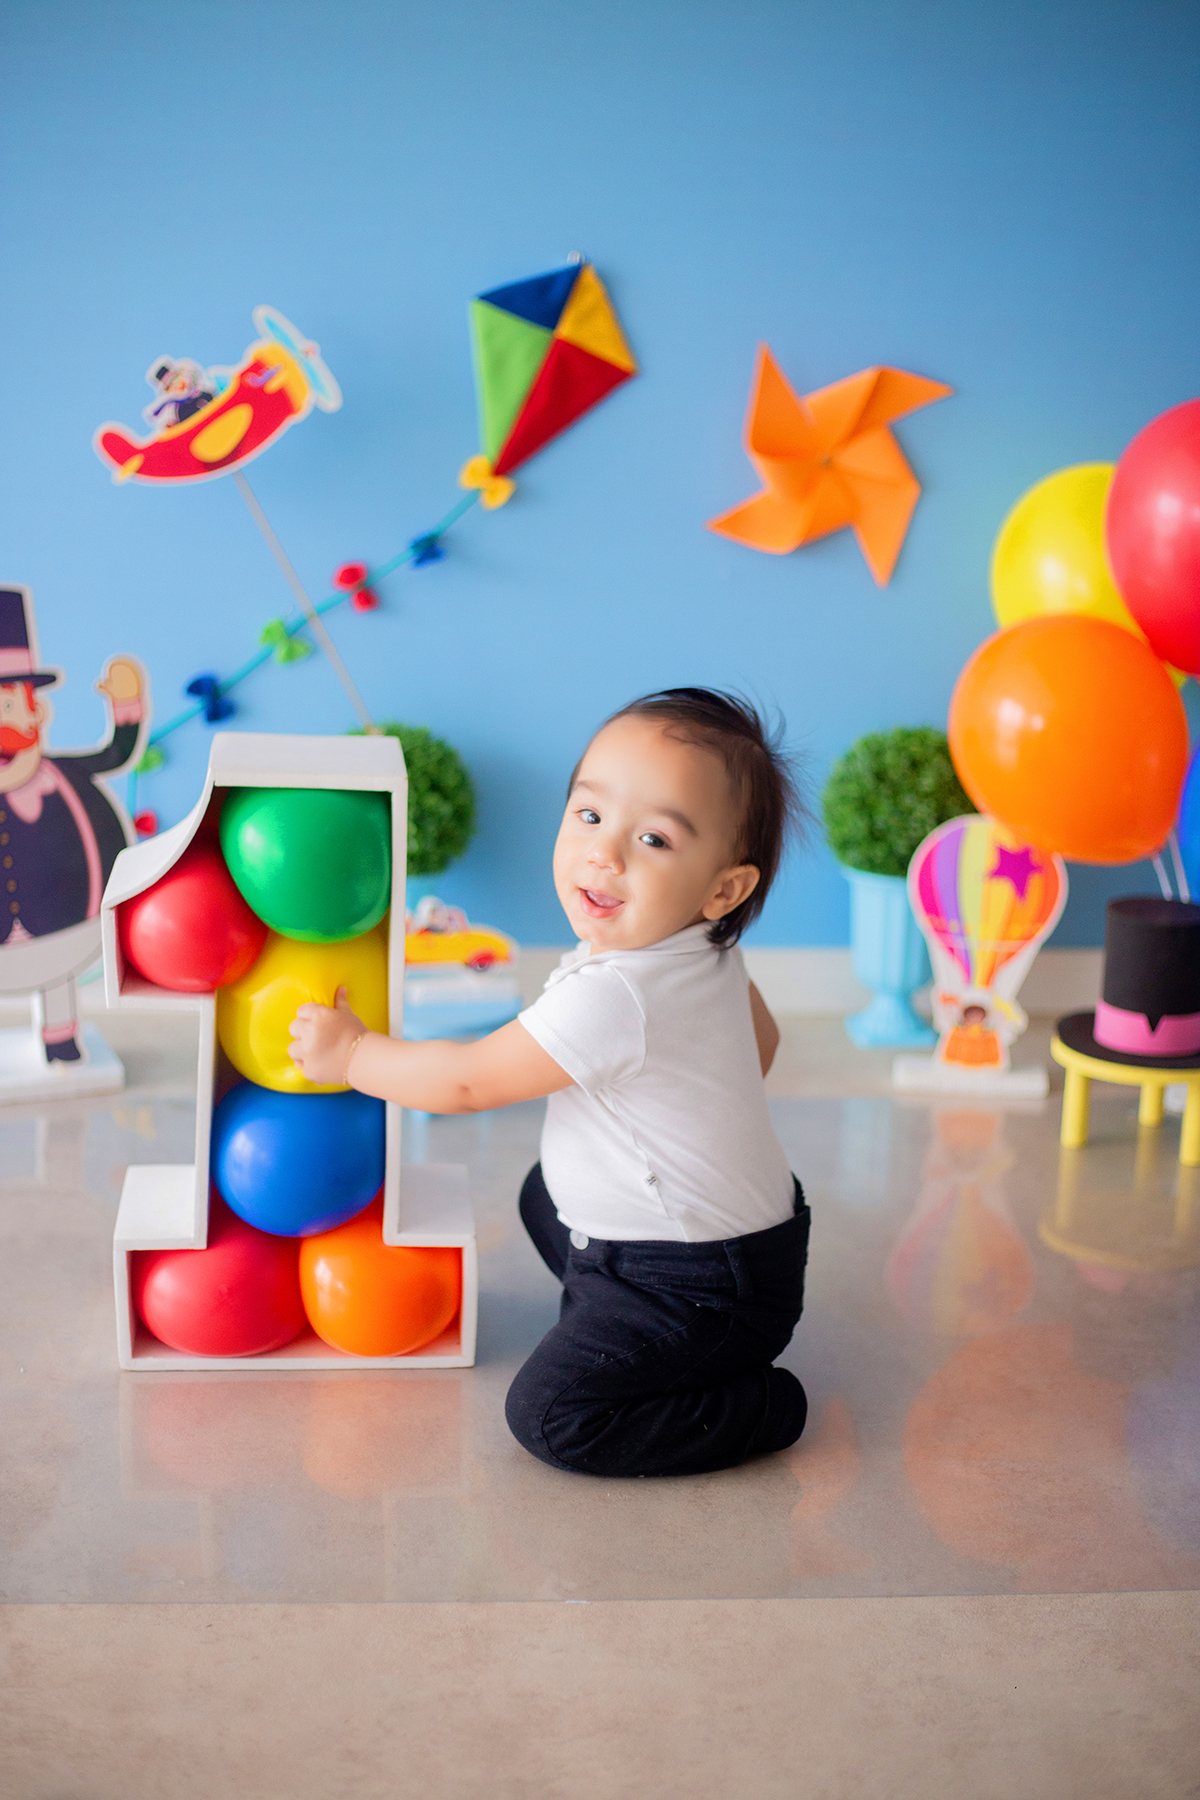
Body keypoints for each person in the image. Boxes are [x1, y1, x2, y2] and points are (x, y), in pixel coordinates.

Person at [289, 688, 810, 1478]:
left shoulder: (617, 995)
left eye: (656, 839)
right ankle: (626, 1320)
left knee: (553, 1417)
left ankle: (760, 1404)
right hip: (743, 1249)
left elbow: (466, 1083)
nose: (605, 855)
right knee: (545, 1195)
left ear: (723, 889)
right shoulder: (706, 951)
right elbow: (760, 1047)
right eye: (589, 816)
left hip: (699, 1285)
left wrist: (354, 1055)